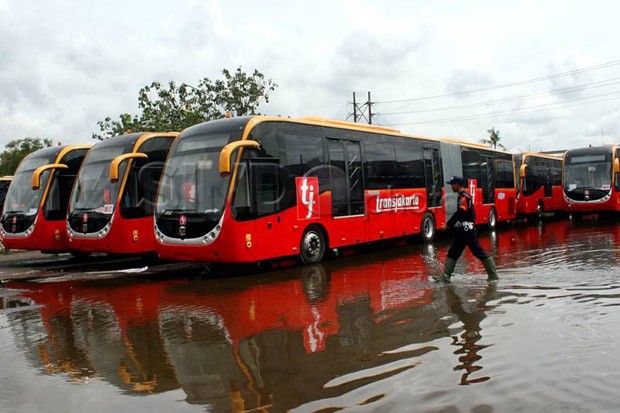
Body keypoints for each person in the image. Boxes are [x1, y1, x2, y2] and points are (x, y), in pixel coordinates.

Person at [436, 176, 498, 283]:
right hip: (468, 229)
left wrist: (448, 225)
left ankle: (445, 277)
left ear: (458, 185)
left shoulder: (464, 197)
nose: (451, 186)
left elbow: (459, 213)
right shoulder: (463, 196)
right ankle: (493, 276)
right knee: (477, 251)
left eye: (452, 184)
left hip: (466, 230)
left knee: (454, 252)